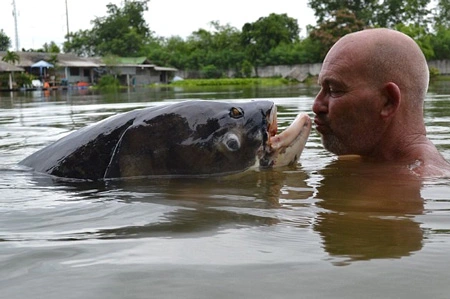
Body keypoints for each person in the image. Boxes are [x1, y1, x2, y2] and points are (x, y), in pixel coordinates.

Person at [312, 28, 450, 177]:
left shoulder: (409, 184)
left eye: (334, 90)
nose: (316, 106)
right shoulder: (363, 158)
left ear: (388, 102)